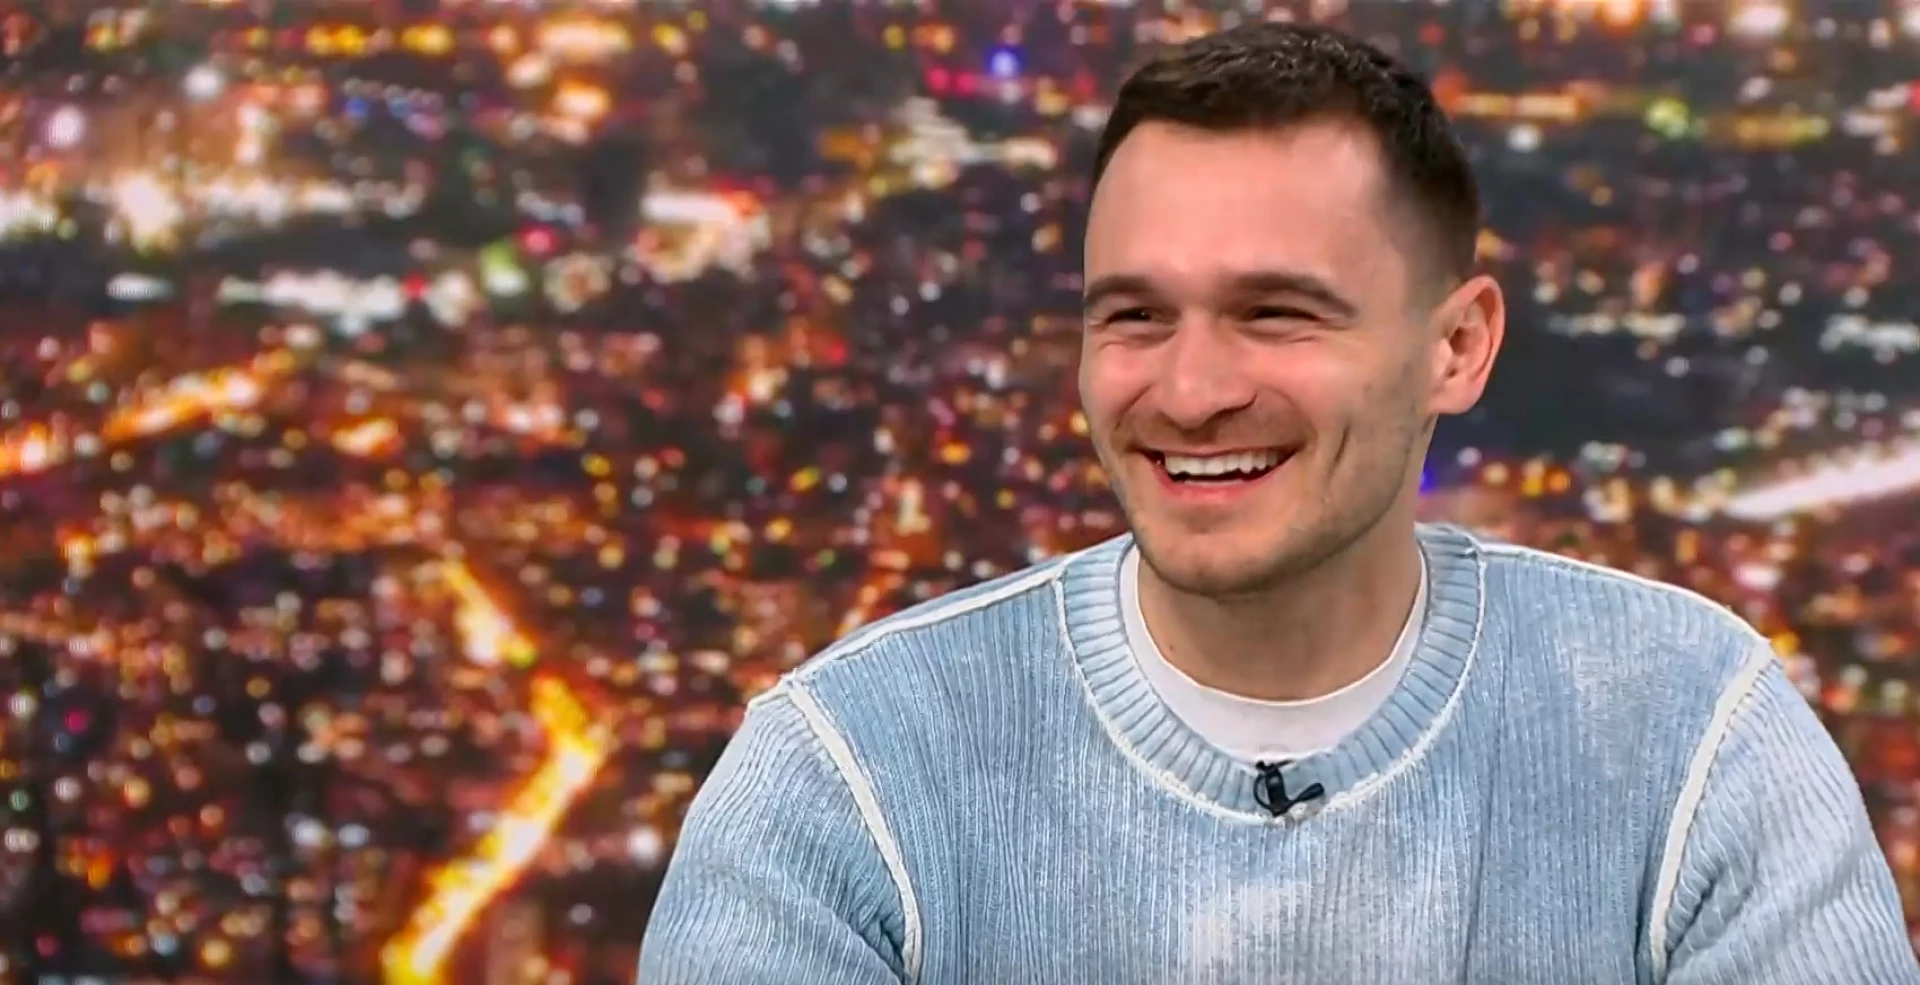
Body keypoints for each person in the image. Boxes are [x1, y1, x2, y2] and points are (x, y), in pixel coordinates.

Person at [638, 22, 1920, 985]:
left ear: (1458, 347)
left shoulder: (1691, 732)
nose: (1192, 391)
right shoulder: (847, 778)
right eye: (1134, 316)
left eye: (1277, 314)